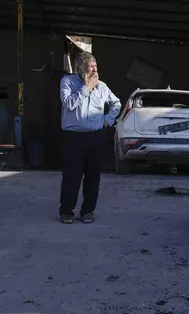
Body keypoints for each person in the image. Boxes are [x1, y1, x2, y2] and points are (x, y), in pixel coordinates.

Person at [58, 52, 121, 224]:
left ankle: (87, 211)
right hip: (74, 138)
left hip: (95, 137)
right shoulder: (68, 82)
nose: (94, 69)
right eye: (90, 65)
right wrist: (85, 87)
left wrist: (107, 120)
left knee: (93, 176)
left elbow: (117, 103)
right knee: (72, 176)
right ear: (80, 67)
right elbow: (69, 104)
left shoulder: (102, 86)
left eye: (95, 65)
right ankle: (66, 212)